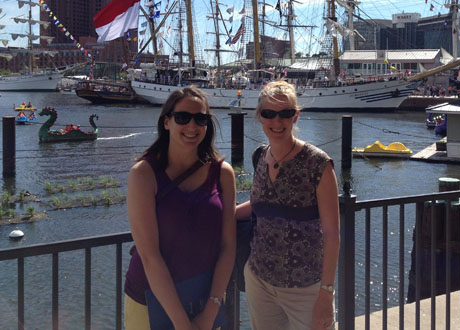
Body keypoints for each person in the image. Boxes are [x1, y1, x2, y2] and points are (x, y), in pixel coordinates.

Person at [124, 86, 236, 330]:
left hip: (204, 299)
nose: (192, 127)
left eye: (201, 119)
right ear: (167, 122)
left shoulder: (222, 174)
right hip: (150, 300)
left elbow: (228, 247)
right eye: (183, 117)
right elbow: (150, 256)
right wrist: (182, 324)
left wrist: (210, 311)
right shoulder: (144, 175)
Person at [236, 81, 340, 330]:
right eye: (269, 113)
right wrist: (225, 214)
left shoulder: (318, 163)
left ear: (296, 116)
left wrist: (326, 292)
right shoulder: (261, 156)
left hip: (306, 287)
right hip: (259, 278)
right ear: (260, 116)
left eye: (285, 113)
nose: (277, 121)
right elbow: (263, 204)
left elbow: (332, 233)